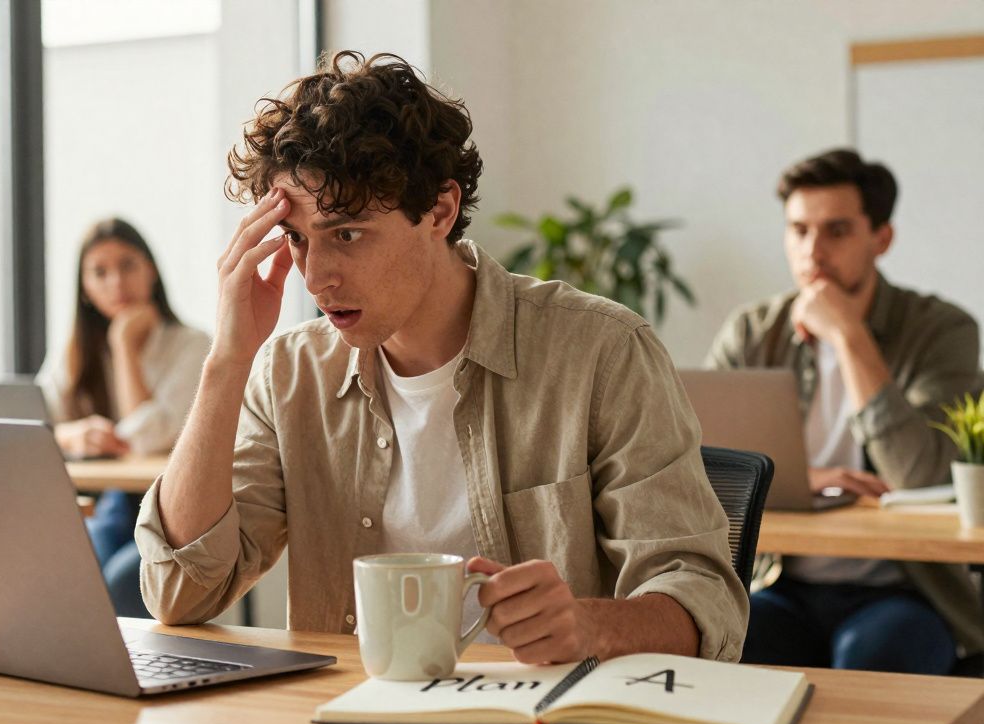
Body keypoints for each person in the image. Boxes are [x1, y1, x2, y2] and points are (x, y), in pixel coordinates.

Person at [134, 51, 747, 664]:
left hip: (541, 706)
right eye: (297, 238)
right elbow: (181, 592)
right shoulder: (288, 374)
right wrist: (227, 360)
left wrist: (590, 626)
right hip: (352, 706)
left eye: (347, 233)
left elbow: (705, 599)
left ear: (439, 210)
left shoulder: (600, 352)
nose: (315, 278)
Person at [707, 148, 984, 673]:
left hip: (905, 589)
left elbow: (921, 473)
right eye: (799, 231)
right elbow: (700, 467)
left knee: (875, 656)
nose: (813, 251)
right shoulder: (751, 332)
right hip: (777, 580)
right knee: (726, 647)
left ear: (882, 238)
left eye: (836, 231)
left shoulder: (942, 330)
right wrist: (800, 480)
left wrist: (849, 335)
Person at [38, 217, 209, 618]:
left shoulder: (192, 345)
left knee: (119, 580)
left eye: (128, 265)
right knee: (63, 570)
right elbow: (38, 424)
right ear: (84, 289)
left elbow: (145, 439)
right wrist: (71, 436)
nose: (116, 282)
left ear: (151, 270)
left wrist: (124, 347)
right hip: (113, 505)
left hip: (176, 513)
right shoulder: (75, 352)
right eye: (100, 272)